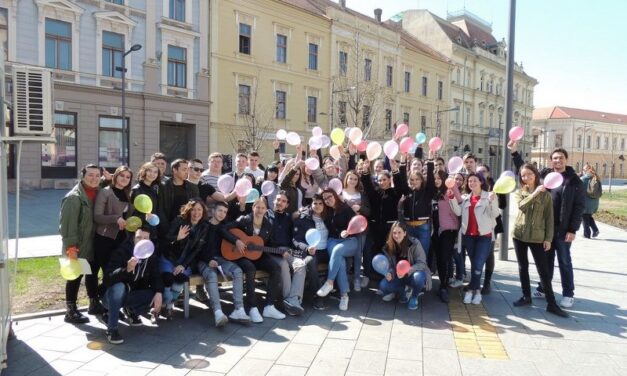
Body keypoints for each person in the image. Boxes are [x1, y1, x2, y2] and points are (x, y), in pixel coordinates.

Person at [509, 141, 585, 308]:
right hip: (544, 229)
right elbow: (526, 172)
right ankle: (543, 288)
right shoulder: (544, 176)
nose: (558, 161)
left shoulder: (574, 181)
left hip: (563, 229)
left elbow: (579, 207)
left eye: (561, 158)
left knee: (564, 261)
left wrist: (573, 229)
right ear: (551, 160)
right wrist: (514, 153)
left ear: (566, 159)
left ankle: (567, 294)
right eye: (555, 158)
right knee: (546, 261)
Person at [511, 163, 568, 317]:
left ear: (535, 175)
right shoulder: (520, 193)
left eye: (529, 174)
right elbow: (522, 206)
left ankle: (552, 303)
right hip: (519, 235)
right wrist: (535, 193)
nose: (526, 177)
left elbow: (549, 219)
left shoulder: (546, 195)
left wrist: (548, 239)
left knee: (543, 270)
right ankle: (526, 296)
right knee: (523, 267)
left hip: (537, 237)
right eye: (523, 175)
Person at [222, 197, 286, 322]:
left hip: (258, 255)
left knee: (276, 268)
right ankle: (252, 307)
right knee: (250, 268)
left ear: (266, 210)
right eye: (258, 207)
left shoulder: (268, 224)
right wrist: (237, 241)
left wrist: (281, 252)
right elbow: (223, 229)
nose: (260, 210)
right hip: (241, 255)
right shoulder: (244, 220)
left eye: (263, 208)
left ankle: (269, 306)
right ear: (253, 207)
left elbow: (271, 244)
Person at [102, 229, 163, 344]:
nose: (142, 241)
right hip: (110, 298)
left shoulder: (151, 255)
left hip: (130, 294)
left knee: (153, 294)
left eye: (146, 238)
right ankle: (112, 329)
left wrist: (159, 292)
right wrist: (127, 270)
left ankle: (131, 310)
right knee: (119, 286)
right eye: (139, 238)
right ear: (133, 239)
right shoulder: (122, 251)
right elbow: (107, 278)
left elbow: (156, 276)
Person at [196, 201, 251, 326]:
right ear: (213, 211)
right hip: (203, 260)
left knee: (237, 271)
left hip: (220, 260)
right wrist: (208, 260)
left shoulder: (224, 226)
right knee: (212, 276)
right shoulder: (203, 225)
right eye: (220, 210)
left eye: (225, 212)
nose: (222, 214)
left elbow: (233, 230)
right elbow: (196, 249)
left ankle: (239, 309)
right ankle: (218, 313)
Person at [59, 164, 102, 324]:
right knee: (75, 277)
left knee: (92, 274)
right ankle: (70, 311)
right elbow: (68, 226)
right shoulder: (74, 197)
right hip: (78, 245)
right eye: (90, 175)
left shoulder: (97, 192)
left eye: (97, 175)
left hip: (92, 243)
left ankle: (94, 303)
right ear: (83, 176)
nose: (94, 178)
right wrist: (71, 248)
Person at [449, 172, 500, 305]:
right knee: (474, 264)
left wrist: (493, 201)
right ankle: (477, 291)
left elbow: (495, 214)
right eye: (470, 181)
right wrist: (452, 198)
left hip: (484, 236)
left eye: (474, 181)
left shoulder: (489, 196)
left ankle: (471, 291)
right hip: (469, 237)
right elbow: (458, 212)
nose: (471, 183)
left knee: (478, 265)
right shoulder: (466, 198)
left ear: (481, 182)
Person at [93, 166, 134, 314]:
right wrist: (116, 218)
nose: (124, 179)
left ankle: (114, 306)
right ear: (115, 176)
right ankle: (107, 308)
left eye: (128, 177)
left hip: (122, 240)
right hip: (105, 239)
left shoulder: (128, 194)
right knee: (109, 274)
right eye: (122, 175)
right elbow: (97, 217)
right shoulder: (105, 192)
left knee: (119, 274)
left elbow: (129, 216)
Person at [161, 198, 210, 319]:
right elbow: (166, 239)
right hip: (170, 257)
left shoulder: (204, 226)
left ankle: (167, 305)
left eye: (199, 209)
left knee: (180, 279)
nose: (196, 213)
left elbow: (197, 249)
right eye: (193, 209)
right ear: (188, 210)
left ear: (203, 211)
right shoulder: (179, 220)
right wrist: (177, 238)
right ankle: (166, 304)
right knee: (167, 278)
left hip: (186, 261)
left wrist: (183, 265)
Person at [361, 156, 408, 280]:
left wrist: (395, 171)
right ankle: (374, 274)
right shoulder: (376, 192)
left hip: (389, 227)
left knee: (389, 251)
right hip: (375, 226)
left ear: (389, 180)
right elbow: (367, 185)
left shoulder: (395, 193)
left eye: (384, 180)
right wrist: (365, 171)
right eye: (380, 180)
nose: (381, 182)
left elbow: (400, 186)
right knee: (375, 250)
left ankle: (390, 275)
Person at [316, 189, 360, 311]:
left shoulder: (346, 208)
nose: (327, 200)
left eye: (329, 197)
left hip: (350, 241)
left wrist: (348, 231)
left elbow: (357, 226)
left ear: (335, 196)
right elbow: (311, 208)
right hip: (333, 240)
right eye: (324, 199)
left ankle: (329, 282)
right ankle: (344, 296)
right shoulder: (326, 211)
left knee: (337, 251)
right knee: (340, 262)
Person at [267, 192, 307, 316]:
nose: (280, 202)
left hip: (287, 251)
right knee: (283, 265)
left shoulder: (289, 218)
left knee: (300, 264)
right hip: (271, 251)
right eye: (278, 199)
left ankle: (292, 300)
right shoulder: (266, 214)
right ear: (274, 200)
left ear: (287, 204)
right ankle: (289, 300)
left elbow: (294, 236)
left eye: (283, 201)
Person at [379, 222, 432, 310]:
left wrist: (408, 270)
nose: (396, 235)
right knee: (383, 285)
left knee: (420, 277)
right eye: (394, 233)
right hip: (397, 276)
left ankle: (414, 297)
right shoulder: (388, 246)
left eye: (399, 232)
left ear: (405, 233)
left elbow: (422, 263)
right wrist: (389, 273)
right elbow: (390, 266)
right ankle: (403, 291)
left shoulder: (414, 243)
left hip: (412, 275)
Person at [292, 194, 328, 310]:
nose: (317, 206)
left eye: (320, 203)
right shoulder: (304, 218)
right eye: (315, 203)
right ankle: (318, 296)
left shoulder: (328, 217)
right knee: (311, 262)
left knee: (342, 260)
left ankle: (333, 289)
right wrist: (307, 248)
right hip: (311, 252)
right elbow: (296, 239)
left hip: (327, 250)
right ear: (311, 205)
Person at [399, 151, 436, 256]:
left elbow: (430, 177)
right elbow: (402, 178)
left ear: (421, 180)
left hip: (423, 227)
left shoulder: (427, 191)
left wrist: (430, 161)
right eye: (412, 180)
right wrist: (403, 161)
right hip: (409, 227)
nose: (414, 181)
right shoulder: (407, 191)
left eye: (417, 179)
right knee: (409, 255)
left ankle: (423, 271)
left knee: (422, 255)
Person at [157, 159, 200, 249]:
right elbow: (160, 210)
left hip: (187, 228)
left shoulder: (193, 188)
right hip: (168, 228)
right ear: (174, 170)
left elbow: (196, 207)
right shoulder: (163, 187)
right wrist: (166, 229)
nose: (187, 172)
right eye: (184, 169)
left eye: (188, 169)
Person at [432, 170, 460, 303]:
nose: (437, 180)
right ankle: (442, 283)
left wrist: (452, 194)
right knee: (439, 258)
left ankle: (444, 286)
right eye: (435, 178)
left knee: (445, 257)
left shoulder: (450, 188)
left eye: (439, 178)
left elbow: (459, 205)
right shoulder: (433, 192)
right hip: (435, 230)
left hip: (448, 230)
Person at [342, 169, 371, 290]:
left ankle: (357, 279)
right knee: (345, 254)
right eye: (350, 178)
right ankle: (345, 279)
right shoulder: (340, 193)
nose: (353, 181)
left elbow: (369, 211)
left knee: (358, 254)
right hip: (345, 228)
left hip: (360, 229)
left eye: (355, 179)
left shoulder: (362, 194)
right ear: (346, 179)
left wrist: (360, 208)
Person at [581, 165, 601, 239]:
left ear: (587, 170)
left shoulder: (583, 179)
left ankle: (587, 234)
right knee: (588, 216)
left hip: (585, 203)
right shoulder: (596, 178)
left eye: (584, 169)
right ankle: (595, 230)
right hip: (594, 203)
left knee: (584, 217)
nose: (583, 170)